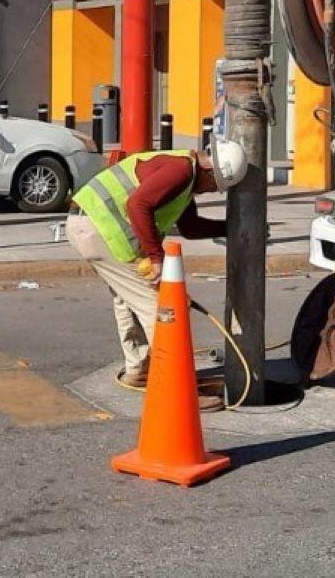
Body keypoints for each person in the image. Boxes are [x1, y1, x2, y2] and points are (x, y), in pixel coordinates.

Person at [64, 142, 247, 410]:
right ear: (209, 169)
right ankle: (178, 393)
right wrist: (156, 259)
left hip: (89, 225)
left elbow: (191, 227)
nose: (211, 191)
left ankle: (139, 368)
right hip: (99, 229)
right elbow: (138, 205)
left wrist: (236, 228)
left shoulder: (184, 172)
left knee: (126, 300)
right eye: (214, 185)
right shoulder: (181, 170)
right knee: (161, 308)